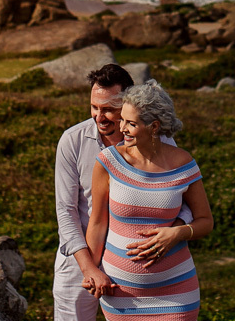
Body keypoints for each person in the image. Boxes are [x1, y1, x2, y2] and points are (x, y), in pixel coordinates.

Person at [53, 65, 191, 321]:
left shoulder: (159, 141)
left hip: (140, 266)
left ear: (129, 103)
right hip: (79, 257)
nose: (99, 116)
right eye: (94, 107)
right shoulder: (72, 141)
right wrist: (88, 268)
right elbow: (66, 210)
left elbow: (181, 197)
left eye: (108, 109)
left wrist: (174, 232)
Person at [83, 81, 214, 321]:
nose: (121, 128)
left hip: (177, 294)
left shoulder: (184, 164)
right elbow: (98, 223)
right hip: (121, 295)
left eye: (131, 123)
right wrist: (91, 270)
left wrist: (178, 233)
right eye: (122, 119)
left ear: (154, 127)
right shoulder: (107, 161)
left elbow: (206, 221)